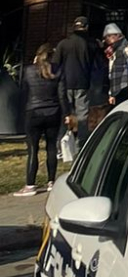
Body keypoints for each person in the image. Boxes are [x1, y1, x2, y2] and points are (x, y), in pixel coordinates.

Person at [16, 46, 63, 197]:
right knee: (51, 148)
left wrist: (22, 112)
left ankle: (30, 185)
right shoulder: (57, 71)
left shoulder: (29, 71)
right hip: (53, 111)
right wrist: (67, 112)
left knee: (32, 150)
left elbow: (24, 93)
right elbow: (61, 94)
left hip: (33, 112)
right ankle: (51, 182)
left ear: (37, 56)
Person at [54, 19, 104, 142]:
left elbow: (55, 65)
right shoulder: (92, 44)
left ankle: (61, 142)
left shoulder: (63, 44)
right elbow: (99, 64)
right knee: (82, 115)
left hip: (65, 83)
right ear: (86, 27)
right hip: (83, 82)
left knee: (65, 114)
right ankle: (80, 142)